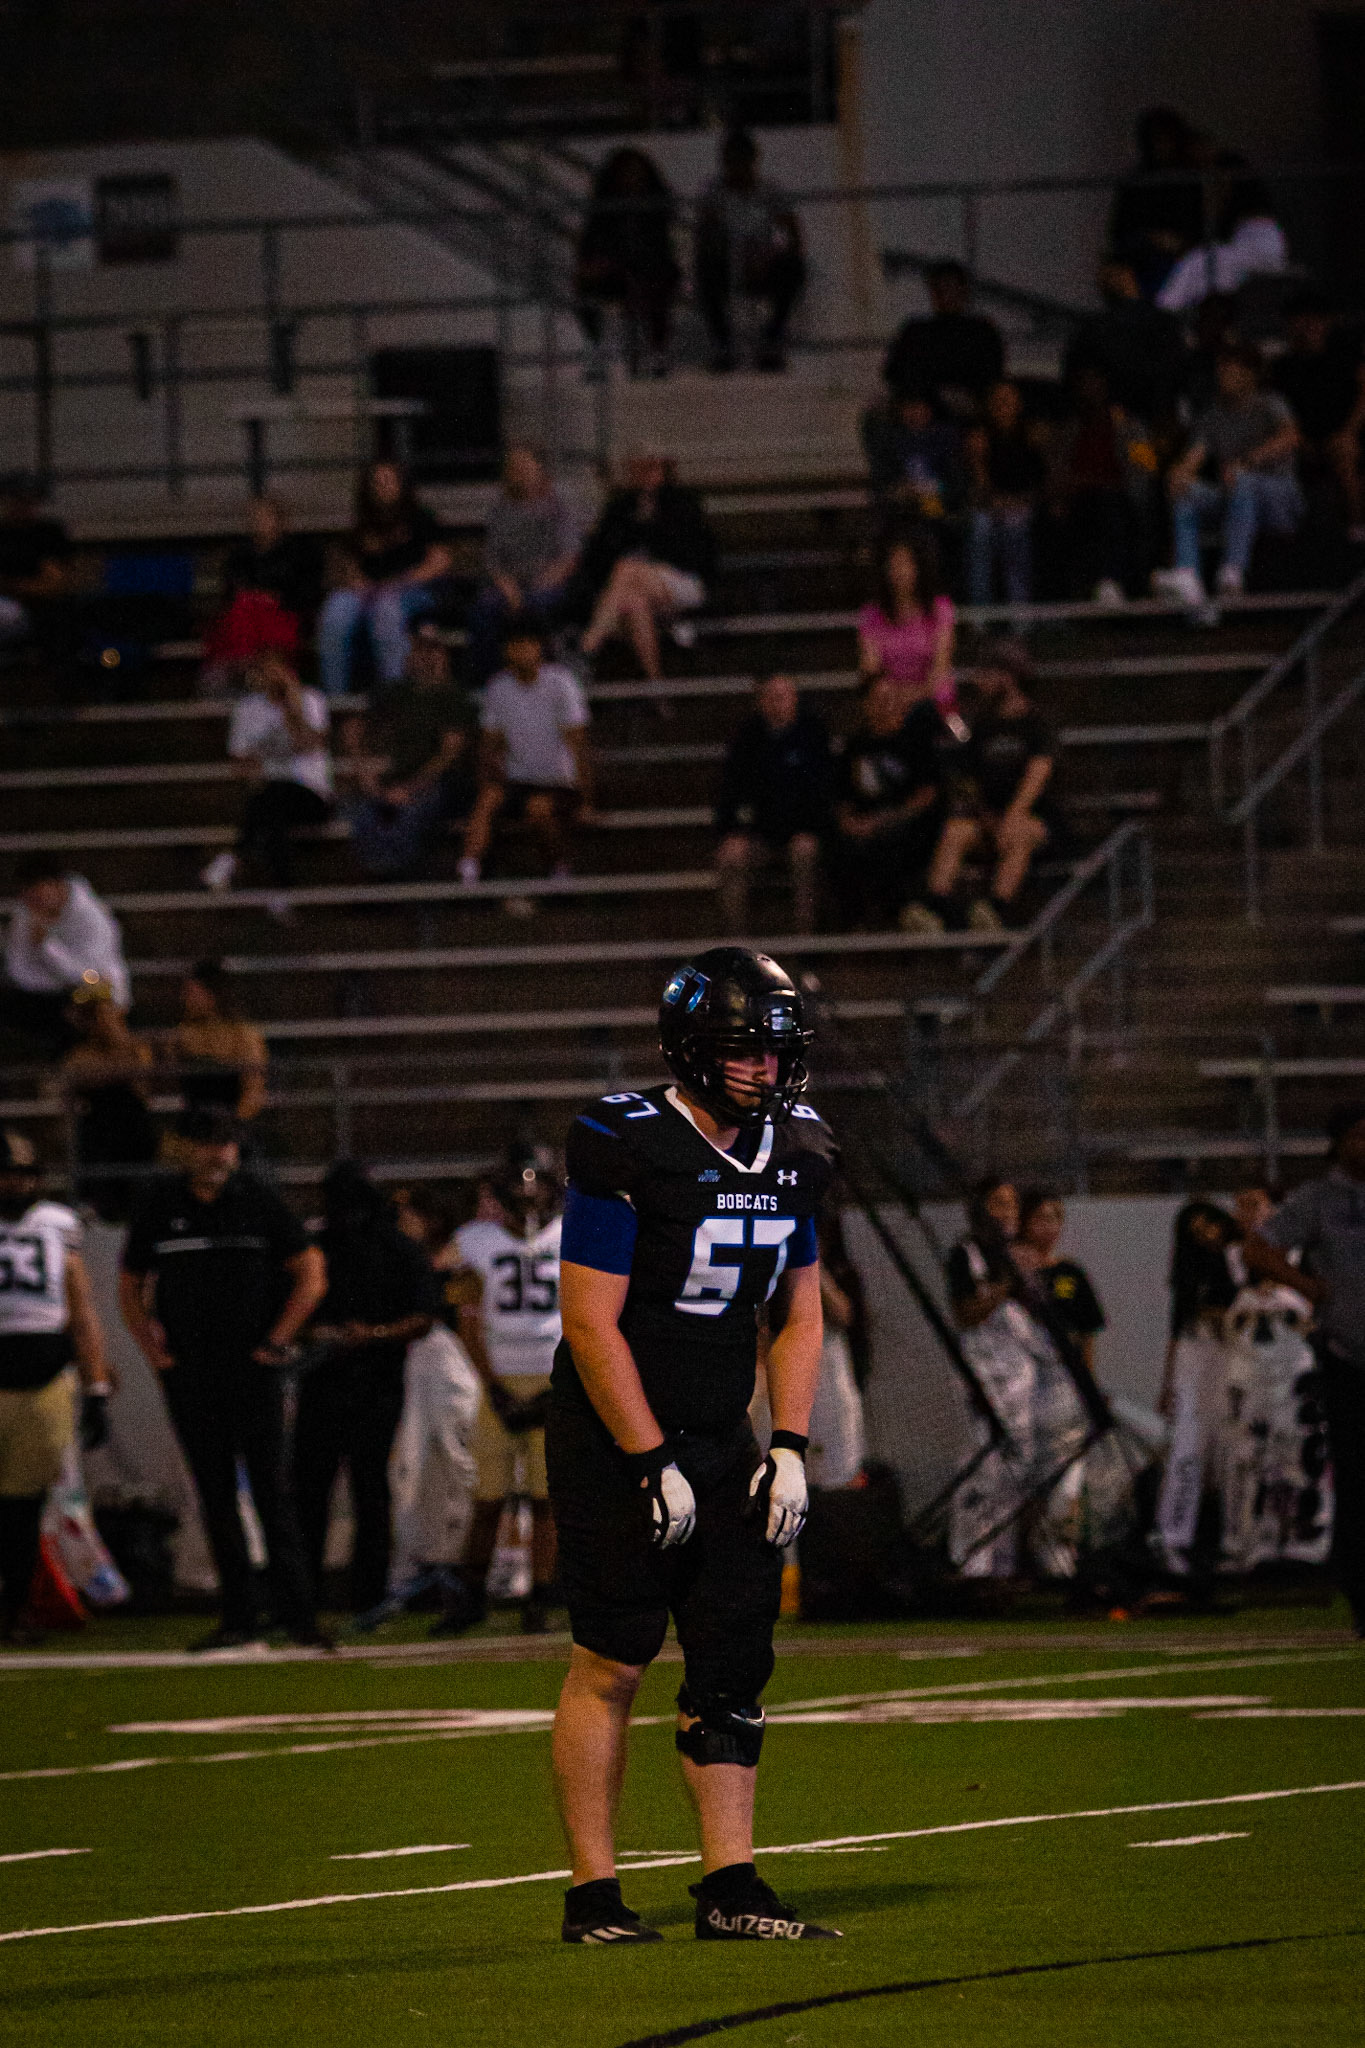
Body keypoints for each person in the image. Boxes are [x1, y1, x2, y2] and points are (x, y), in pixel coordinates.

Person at [547, 948, 840, 1943]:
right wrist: (646, 1457)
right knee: (613, 1658)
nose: (766, 1068)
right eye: (744, 1049)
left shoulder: (798, 1148)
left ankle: (731, 1883)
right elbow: (590, 1321)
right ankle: (593, 1892)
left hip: (722, 1434)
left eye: (775, 1050)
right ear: (690, 1049)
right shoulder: (625, 1140)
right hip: (612, 1434)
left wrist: (788, 1442)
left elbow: (799, 1313)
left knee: (732, 1663)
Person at [118, 1106, 328, 1650]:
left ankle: (298, 1613)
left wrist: (277, 1340)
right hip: (191, 1372)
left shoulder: (258, 1200)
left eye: (227, 1143)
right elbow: (129, 1282)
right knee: (214, 1494)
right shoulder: (162, 1204)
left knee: (272, 1491)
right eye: (209, 1142)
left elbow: (311, 1273)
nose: (219, 1153)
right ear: (185, 1148)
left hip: (253, 1371)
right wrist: (153, 1351)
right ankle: (240, 1614)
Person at [292, 1162, 442, 1616]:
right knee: (350, 1490)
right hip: (350, 1382)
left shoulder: (340, 1245)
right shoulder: (384, 1246)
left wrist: (366, 1335)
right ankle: (339, 1593)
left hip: (361, 1382)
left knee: (345, 1490)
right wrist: (323, 1335)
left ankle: (324, 1593)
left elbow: (423, 1316)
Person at [1243, 1102, 1365, 1637]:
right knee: (1356, 1479)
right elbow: (1258, 1249)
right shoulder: (1317, 1199)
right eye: (1358, 1135)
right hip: (1347, 1356)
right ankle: (1360, 1593)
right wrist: (1307, 1286)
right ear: (1338, 1144)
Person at [436, 1143, 564, 1637]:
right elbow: (464, 1316)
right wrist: (493, 1386)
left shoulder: (572, 1234)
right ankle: (471, 1596)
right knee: (488, 1497)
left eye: (537, 1188)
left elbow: (592, 1314)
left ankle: (542, 1598)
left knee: (547, 1500)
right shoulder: (476, 1240)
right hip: (496, 1378)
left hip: (554, 1379)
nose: (529, 1199)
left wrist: (563, 1384)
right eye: (520, 1189)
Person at [0, 1128, 114, 1642]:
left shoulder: (57, 1225)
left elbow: (82, 1311)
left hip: (43, 1376)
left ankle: (17, 1608)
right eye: (5, 1175)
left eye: (21, 1175)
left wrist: (96, 1388)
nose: (13, 1184)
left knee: (23, 1504)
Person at [946, 1176, 1081, 1582]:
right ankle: (971, 1564)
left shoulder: (1022, 1256)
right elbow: (966, 1313)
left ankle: (1002, 1567)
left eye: (1011, 1204)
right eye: (997, 1203)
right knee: (983, 1468)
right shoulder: (966, 1254)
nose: (1006, 1212)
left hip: (1023, 1380)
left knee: (1015, 1472)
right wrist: (1007, 1281)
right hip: (985, 1375)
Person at [905, 637, 1057, 935]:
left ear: (1008, 677)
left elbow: (1038, 774)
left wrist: (1013, 815)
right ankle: (934, 908)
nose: (979, 680)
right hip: (989, 818)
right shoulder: (982, 724)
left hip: (1033, 818)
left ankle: (996, 910)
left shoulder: (1037, 723)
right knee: (956, 831)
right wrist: (983, 815)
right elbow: (967, 777)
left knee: (1018, 833)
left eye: (987, 673)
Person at [386, 1188, 481, 1604]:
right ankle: (428, 1565)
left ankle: (456, 1566)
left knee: (458, 1467)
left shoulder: (461, 1257)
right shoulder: (410, 1262)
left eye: (408, 1214)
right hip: (426, 1375)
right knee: (415, 1472)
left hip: (456, 1373)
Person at [1157, 344, 1303, 611]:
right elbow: (1194, 458)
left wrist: (1246, 462)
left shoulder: (1270, 404)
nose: (1221, 376)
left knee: (1242, 479)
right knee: (1188, 492)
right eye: (1220, 370)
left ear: (1249, 374)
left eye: (1229, 369)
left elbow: (1290, 437)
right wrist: (1178, 475)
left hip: (1278, 500)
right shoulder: (1213, 416)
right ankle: (1188, 578)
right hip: (1235, 499)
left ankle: (1233, 571)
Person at [459, 619, 592, 900]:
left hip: (559, 782)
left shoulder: (562, 683)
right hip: (518, 780)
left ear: (539, 647)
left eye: (527, 644)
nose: (521, 651)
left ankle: (559, 867)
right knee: (487, 798)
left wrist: (586, 798)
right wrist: (488, 775)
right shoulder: (498, 688)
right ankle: (468, 870)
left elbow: (578, 744)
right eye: (514, 645)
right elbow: (489, 743)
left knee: (538, 808)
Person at [199, 651, 334, 916]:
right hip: (268, 795)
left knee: (272, 799)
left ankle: (232, 858)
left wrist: (291, 706)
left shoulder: (310, 700)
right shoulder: (247, 709)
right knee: (273, 814)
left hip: (311, 793)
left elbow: (311, 743)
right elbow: (239, 763)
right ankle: (282, 893)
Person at [1150, 1200, 1242, 1580]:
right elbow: (1176, 1329)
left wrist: (1220, 1314)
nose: (1207, 1235)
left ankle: (1235, 1541)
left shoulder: (1238, 1258)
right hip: (1195, 1357)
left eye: (1210, 1225)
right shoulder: (1187, 1273)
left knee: (1233, 1452)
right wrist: (1167, 1383)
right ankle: (1172, 1536)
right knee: (1186, 1448)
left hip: (1232, 1358)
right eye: (1197, 1231)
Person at [341, 626, 476, 879]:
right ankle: (375, 880)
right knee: (363, 812)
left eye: (432, 649)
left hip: (437, 783)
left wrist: (410, 788)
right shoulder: (395, 692)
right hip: (392, 779)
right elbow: (353, 729)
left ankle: (397, 882)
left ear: (444, 654)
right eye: (419, 648)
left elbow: (450, 754)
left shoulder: (453, 697)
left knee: (409, 814)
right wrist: (367, 775)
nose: (425, 656)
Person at [575, 453, 716, 683]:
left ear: (664, 471)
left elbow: (692, 551)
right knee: (634, 603)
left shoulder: (682, 503)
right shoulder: (620, 507)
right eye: (638, 469)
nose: (645, 475)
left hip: (683, 580)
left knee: (627, 568)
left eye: (651, 469)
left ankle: (587, 647)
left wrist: (649, 521)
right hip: (632, 588)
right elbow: (600, 553)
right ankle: (656, 688)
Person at [316, 462, 454, 697]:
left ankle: (392, 696)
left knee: (386, 609)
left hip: (413, 591)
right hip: (369, 591)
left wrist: (400, 583)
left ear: (400, 484)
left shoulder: (421, 517)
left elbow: (441, 560)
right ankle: (337, 700)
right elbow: (348, 565)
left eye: (388, 481)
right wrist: (356, 581)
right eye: (377, 482)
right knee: (335, 610)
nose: (383, 487)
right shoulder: (364, 523)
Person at [714, 674, 833, 935]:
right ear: (760, 702)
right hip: (759, 834)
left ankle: (805, 939)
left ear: (794, 700)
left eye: (783, 696)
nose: (776, 703)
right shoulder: (747, 739)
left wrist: (807, 826)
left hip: (801, 832)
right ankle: (737, 943)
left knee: (805, 850)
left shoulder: (812, 735)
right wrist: (736, 831)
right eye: (770, 697)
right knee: (731, 855)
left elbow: (822, 794)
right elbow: (731, 793)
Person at [830, 676, 947, 929]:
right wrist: (848, 821)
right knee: (839, 845)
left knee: (889, 844)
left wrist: (882, 821)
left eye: (892, 699)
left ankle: (900, 918)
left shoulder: (916, 742)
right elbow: (843, 796)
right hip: (864, 825)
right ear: (866, 705)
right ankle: (853, 926)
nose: (887, 705)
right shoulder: (856, 746)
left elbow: (926, 796)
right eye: (880, 699)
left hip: (907, 824)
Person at [467, 447, 584, 683]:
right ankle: (489, 682)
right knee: (484, 609)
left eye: (524, 465)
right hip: (510, 585)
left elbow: (568, 558)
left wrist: (535, 589)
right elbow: (493, 560)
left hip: (549, 584)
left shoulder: (559, 506)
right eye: (513, 466)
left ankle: (544, 680)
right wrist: (510, 590)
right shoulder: (500, 510)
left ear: (539, 468)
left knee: (535, 606)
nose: (518, 471)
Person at [1048, 359, 1159, 604]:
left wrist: (1123, 432)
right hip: (1079, 501)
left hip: (1120, 501)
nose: (1089, 389)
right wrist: (1061, 496)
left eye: (1094, 383)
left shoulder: (1130, 425)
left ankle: (1111, 582)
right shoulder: (1069, 429)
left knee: (1111, 506)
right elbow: (1057, 472)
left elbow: (1148, 468)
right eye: (1084, 383)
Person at [694, 130, 805, 374]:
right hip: (726, 264)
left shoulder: (770, 192)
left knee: (794, 268)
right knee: (705, 268)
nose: (737, 168)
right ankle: (723, 345)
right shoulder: (713, 194)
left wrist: (768, 255)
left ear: (752, 160)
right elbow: (704, 236)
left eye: (741, 161)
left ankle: (772, 340)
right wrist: (732, 252)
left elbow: (792, 235)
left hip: (764, 263)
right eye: (731, 161)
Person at [1, 858, 130, 1056]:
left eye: (38, 895)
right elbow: (17, 968)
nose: (33, 903)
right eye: (28, 898)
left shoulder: (92, 919)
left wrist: (47, 947)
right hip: (45, 993)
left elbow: (89, 974)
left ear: (57, 886)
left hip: (90, 996)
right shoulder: (26, 913)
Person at [199, 496, 322, 697]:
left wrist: (273, 599)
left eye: (266, 516)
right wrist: (256, 598)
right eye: (255, 517)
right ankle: (242, 673)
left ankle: (268, 675)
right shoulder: (239, 557)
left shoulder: (300, 554)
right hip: (246, 618)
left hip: (283, 616)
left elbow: (305, 594)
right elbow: (231, 593)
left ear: (279, 520)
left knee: (249, 613)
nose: (260, 522)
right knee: (241, 610)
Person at [57, 978, 157, 1225]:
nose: (102, 1019)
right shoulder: (78, 1055)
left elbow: (141, 1076)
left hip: (133, 1131)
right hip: (99, 1135)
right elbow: (78, 1077)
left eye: (106, 1012)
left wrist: (115, 1035)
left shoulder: (136, 1047)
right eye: (96, 1014)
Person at [574, 148, 680, 379]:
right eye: (625, 173)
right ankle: (595, 347)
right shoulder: (603, 211)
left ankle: (657, 351)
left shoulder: (655, 210)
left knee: (657, 286)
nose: (631, 179)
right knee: (585, 286)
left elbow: (661, 250)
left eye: (636, 173)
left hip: (650, 272)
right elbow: (589, 247)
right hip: (613, 275)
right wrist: (596, 265)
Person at [1271, 293, 1365, 537]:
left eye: (1313, 319)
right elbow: (1277, 412)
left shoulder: (1347, 357)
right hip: (1300, 438)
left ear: (1327, 322)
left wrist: (1349, 432)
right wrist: (1298, 440)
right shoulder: (1283, 367)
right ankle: (1286, 531)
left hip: (1345, 433)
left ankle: (1357, 528)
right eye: (1298, 320)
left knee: (1344, 453)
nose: (1305, 326)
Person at [1063, 261, 1188, 426]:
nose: (1101, 282)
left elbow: (1173, 371)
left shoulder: (1160, 324)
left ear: (1126, 275)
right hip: (1114, 423)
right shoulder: (1095, 328)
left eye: (1108, 275)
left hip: (1148, 421)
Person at [1155, 167, 1289, 315]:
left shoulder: (1206, 258)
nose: (1213, 195)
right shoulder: (1219, 250)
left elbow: (1166, 309)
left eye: (1219, 186)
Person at [882, 261, 1005, 418]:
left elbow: (992, 376)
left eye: (951, 288)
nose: (946, 295)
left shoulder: (982, 332)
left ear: (963, 291)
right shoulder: (916, 332)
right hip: (923, 416)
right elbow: (895, 374)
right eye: (940, 288)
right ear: (933, 292)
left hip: (972, 417)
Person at [1107, 108, 1207, 300]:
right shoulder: (1136, 182)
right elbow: (1119, 233)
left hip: (1183, 261)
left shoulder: (1189, 180)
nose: (1162, 146)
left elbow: (1202, 227)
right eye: (1157, 139)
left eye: (1167, 139)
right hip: (1140, 260)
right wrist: (1151, 239)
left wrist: (1181, 243)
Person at [966, 381, 1047, 607]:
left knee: (1014, 527)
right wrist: (977, 460)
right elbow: (978, 493)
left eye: (1008, 399)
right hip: (989, 507)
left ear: (1019, 404)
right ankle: (980, 615)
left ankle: (1019, 615)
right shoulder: (980, 437)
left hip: (1023, 507)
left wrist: (1015, 502)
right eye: (997, 399)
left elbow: (1039, 485)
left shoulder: (1031, 435)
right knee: (980, 528)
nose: (1003, 405)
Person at [162, 959, 268, 1127]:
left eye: (190, 992)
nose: (184, 999)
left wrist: (231, 1126)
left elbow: (253, 1090)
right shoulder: (183, 1035)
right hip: (194, 1126)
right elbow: (169, 1083)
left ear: (212, 995)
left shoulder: (243, 1035)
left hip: (232, 1126)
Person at [856, 532, 956, 711]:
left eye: (905, 564)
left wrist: (912, 696)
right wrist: (895, 697)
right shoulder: (871, 614)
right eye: (893, 565)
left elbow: (940, 667)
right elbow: (871, 669)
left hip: (933, 700)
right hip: (890, 703)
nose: (899, 572)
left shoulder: (941, 609)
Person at [1013, 1187, 1105, 1374]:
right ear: (1024, 1222)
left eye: (1054, 1218)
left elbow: (1087, 1330)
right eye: (1040, 1218)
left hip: (1063, 1367)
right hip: (1021, 1364)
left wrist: (1087, 1374)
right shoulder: (1013, 1272)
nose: (1048, 1226)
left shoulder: (1069, 1272)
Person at [861, 390, 968, 526]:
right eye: (910, 408)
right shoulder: (890, 440)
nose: (916, 413)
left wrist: (934, 487)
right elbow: (883, 478)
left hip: (940, 500)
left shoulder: (944, 438)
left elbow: (954, 479)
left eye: (920, 407)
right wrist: (900, 488)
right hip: (901, 505)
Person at [0, 473, 73, 651]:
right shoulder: (4, 534)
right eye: (17, 499)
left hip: (31, 605)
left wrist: (15, 586)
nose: (23, 506)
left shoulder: (47, 534)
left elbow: (54, 583)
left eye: (30, 500)